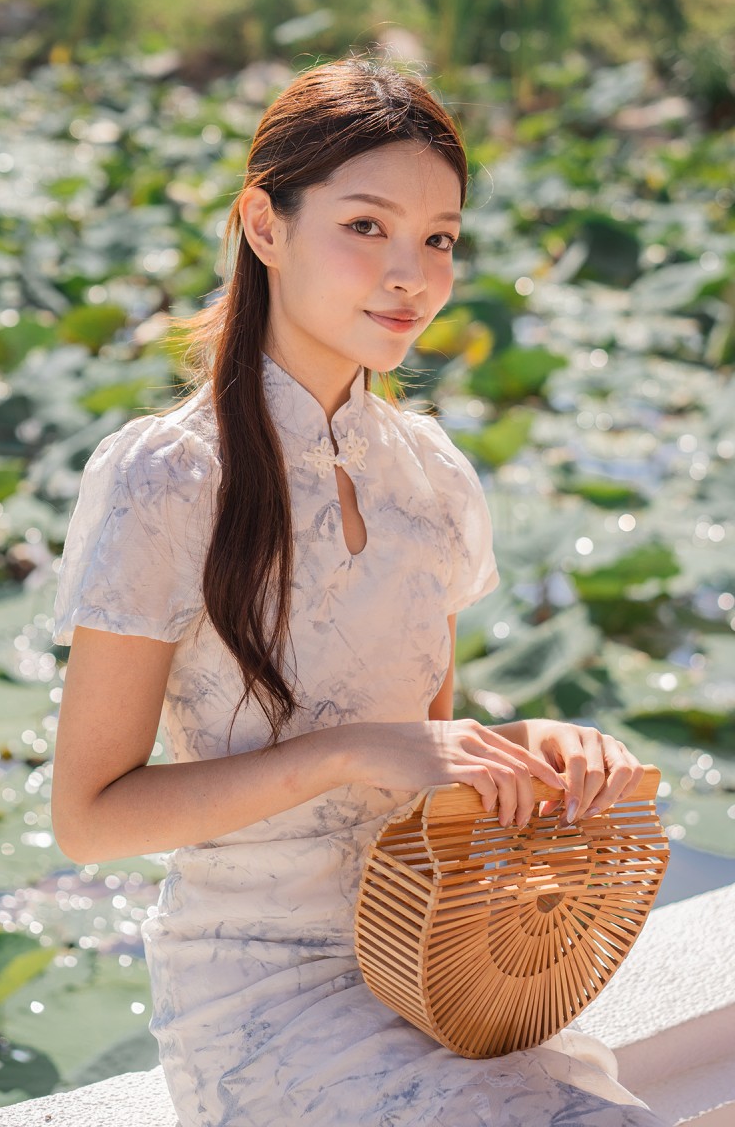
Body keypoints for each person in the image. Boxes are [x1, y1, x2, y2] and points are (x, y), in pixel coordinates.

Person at [50, 55, 668, 1127]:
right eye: (366, 227)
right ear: (264, 225)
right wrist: (339, 752)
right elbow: (89, 821)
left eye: (437, 238)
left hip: (442, 959)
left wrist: (530, 748)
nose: (412, 275)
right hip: (256, 1001)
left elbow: (420, 773)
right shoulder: (164, 477)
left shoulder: (430, 477)